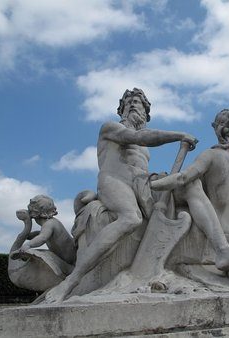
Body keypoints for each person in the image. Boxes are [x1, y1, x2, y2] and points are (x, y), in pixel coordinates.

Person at [45, 88, 197, 302]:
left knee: (185, 188)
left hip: (141, 183)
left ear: (146, 113)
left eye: (139, 103)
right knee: (131, 217)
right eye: (129, 102)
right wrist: (178, 136)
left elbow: (143, 151)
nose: (133, 105)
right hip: (114, 180)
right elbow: (137, 137)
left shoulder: (145, 150)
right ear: (121, 110)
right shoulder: (111, 128)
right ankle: (70, 282)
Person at [151, 109, 229, 271]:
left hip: (220, 226)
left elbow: (181, 178)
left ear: (216, 128)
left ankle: (222, 251)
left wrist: (152, 184)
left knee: (190, 184)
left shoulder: (210, 155)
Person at [15, 195, 76, 266]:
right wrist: (30, 235)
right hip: (68, 257)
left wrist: (28, 245)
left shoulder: (49, 224)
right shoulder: (51, 223)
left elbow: (43, 237)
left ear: (36, 215)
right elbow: (42, 234)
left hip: (72, 258)